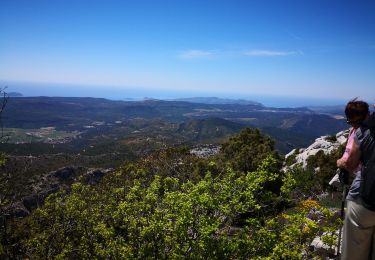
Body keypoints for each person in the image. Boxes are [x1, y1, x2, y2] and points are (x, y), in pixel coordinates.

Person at [337, 99, 375, 260]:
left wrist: (339, 163)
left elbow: (350, 163)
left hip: (366, 198)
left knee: (354, 251)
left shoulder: (365, 132)